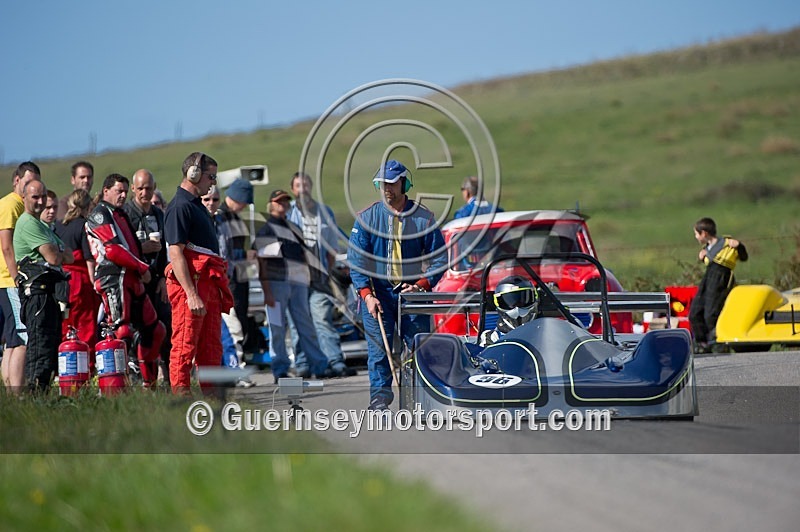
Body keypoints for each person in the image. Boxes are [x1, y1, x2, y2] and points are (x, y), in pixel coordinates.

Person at [348, 159, 447, 410]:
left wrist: (423, 284)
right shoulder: (367, 218)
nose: (387, 189)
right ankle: (379, 398)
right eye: (382, 184)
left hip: (413, 293)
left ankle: (419, 399)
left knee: (416, 348)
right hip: (378, 293)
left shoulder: (424, 218)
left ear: (404, 183)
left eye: (391, 183)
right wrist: (367, 295)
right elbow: (357, 261)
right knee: (379, 350)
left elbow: (439, 258)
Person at [85, 173, 166, 388]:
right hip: (113, 276)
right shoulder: (100, 214)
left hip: (132, 276)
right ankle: (116, 385)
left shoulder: (120, 214)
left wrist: (143, 268)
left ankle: (148, 384)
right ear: (105, 191)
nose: (122, 195)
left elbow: (132, 246)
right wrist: (142, 267)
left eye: (124, 191)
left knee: (156, 329)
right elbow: (112, 250)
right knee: (121, 330)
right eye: (118, 191)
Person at [164, 152, 233, 395]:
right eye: (210, 176)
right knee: (184, 346)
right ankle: (181, 400)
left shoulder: (196, 207)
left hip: (208, 285)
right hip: (191, 287)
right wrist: (191, 294)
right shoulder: (179, 207)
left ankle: (213, 402)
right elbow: (176, 254)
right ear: (193, 173)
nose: (212, 182)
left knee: (211, 349)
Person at [254, 189, 332, 383]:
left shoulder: (294, 228)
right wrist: (266, 291)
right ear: (271, 204)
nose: (283, 205)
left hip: (297, 282)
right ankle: (280, 368)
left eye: (286, 202)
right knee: (277, 328)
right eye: (279, 202)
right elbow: (262, 262)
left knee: (305, 325)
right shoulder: (266, 229)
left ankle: (319, 364)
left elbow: (304, 255)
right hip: (276, 282)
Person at [287, 171, 355, 378]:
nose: (303, 189)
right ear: (293, 189)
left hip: (319, 277)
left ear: (311, 187)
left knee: (322, 319)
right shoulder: (287, 213)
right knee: (298, 322)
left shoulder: (324, 212)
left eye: (306, 185)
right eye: (298, 186)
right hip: (295, 278)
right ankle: (302, 365)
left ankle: (334, 362)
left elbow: (332, 249)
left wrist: (328, 273)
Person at [14, 180, 73, 392]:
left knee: (50, 348)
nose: (39, 202)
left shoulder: (43, 226)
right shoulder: (28, 223)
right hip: (37, 294)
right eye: (34, 197)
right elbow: (55, 257)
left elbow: (70, 256)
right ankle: (34, 396)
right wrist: (56, 252)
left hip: (49, 294)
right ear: (24, 198)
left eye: (42, 197)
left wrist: (57, 252)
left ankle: (44, 393)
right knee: (40, 347)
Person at [123, 169, 172, 384]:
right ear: (133, 188)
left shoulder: (159, 215)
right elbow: (121, 249)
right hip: (135, 282)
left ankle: (170, 380)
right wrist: (142, 248)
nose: (144, 192)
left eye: (149, 188)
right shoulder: (125, 214)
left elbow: (168, 250)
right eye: (140, 188)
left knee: (165, 329)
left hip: (156, 281)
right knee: (138, 332)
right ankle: (142, 380)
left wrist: (163, 277)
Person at [0, 161, 41, 391]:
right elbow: (7, 246)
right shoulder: (11, 205)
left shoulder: (17, 205)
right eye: (26, 183)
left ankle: (9, 391)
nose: (29, 190)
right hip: (9, 278)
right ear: (16, 181)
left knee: (11, 340)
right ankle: (17, 393)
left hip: (7, 279)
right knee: (22, 339)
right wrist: (17, 278)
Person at [55, 189, 101, 369]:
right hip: (80, 284)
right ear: (88, 206)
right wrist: (95, 284)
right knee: (86, 327)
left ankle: (67, 370)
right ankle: (86, 369)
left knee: (66, 327)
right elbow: (89, 259)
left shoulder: (59, 226)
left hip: (63, 283)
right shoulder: (84, 225)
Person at [689, 217, 748, 353]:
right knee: (695, 311)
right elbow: (707, 258)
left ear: (704, 233)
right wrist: (702, 257)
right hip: (708, 277)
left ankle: (717, 341)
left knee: (711, 313)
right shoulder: (707, 249)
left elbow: (744, 257)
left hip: (721, 276)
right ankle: (702, 342)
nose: (696, 237)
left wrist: (739, 246)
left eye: (697, 234)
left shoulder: (728, 243)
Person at [479, 276, 540, 347]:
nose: (517, 308)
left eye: (522, 301)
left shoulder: (546, 332)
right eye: (511, 302)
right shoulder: (492, 337)